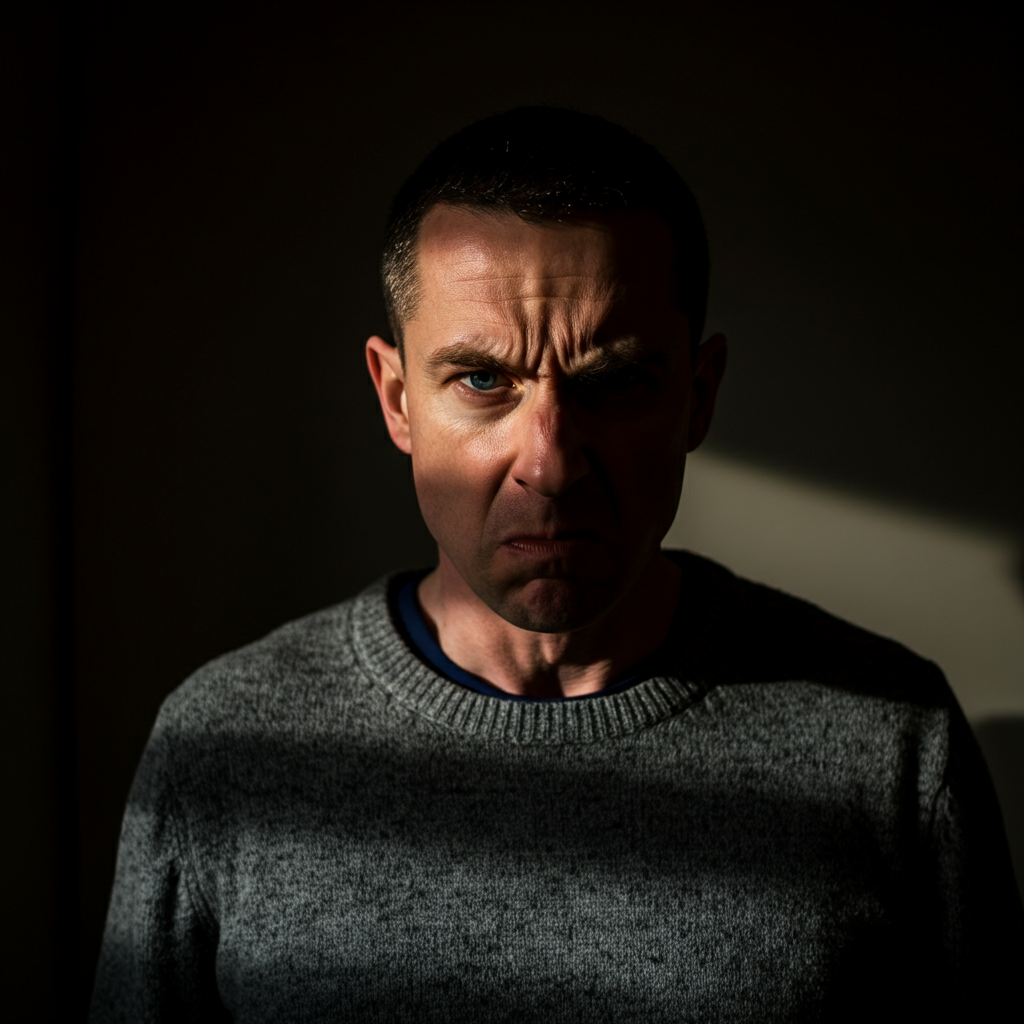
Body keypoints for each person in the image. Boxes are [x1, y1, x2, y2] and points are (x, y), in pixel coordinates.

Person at [90, 108, 1021, 1022]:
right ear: (396, 398)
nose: (552, 461)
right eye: (483, 380)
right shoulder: (225, 743)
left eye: (614, 382)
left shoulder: (893, 743)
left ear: (697, 399)